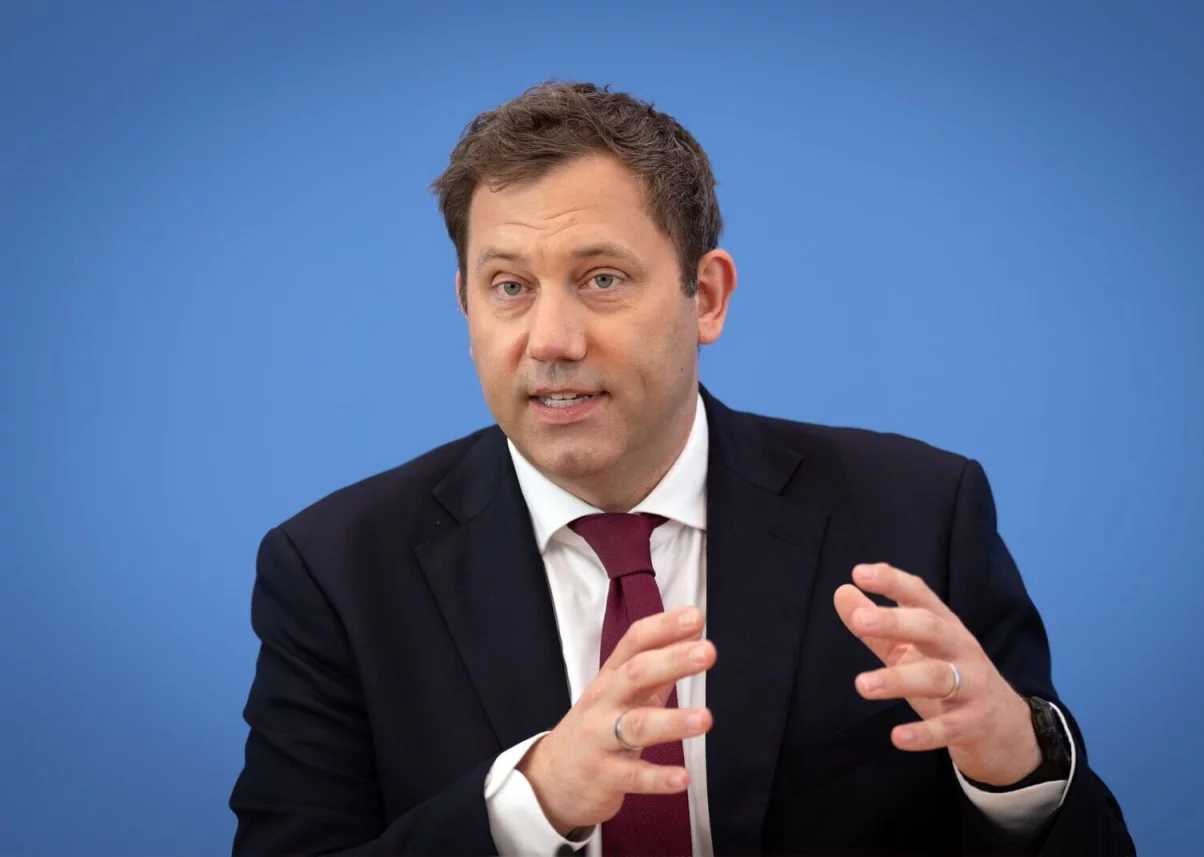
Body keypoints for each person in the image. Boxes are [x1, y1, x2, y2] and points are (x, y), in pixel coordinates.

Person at [229, 81, 1134, 856]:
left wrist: (1017, 766)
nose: (550, 339)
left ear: (705, 296)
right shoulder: (335, 572)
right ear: (466, 305)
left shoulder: (919, 514)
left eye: (602, 278)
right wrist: (530, 803)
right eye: (509, 286)